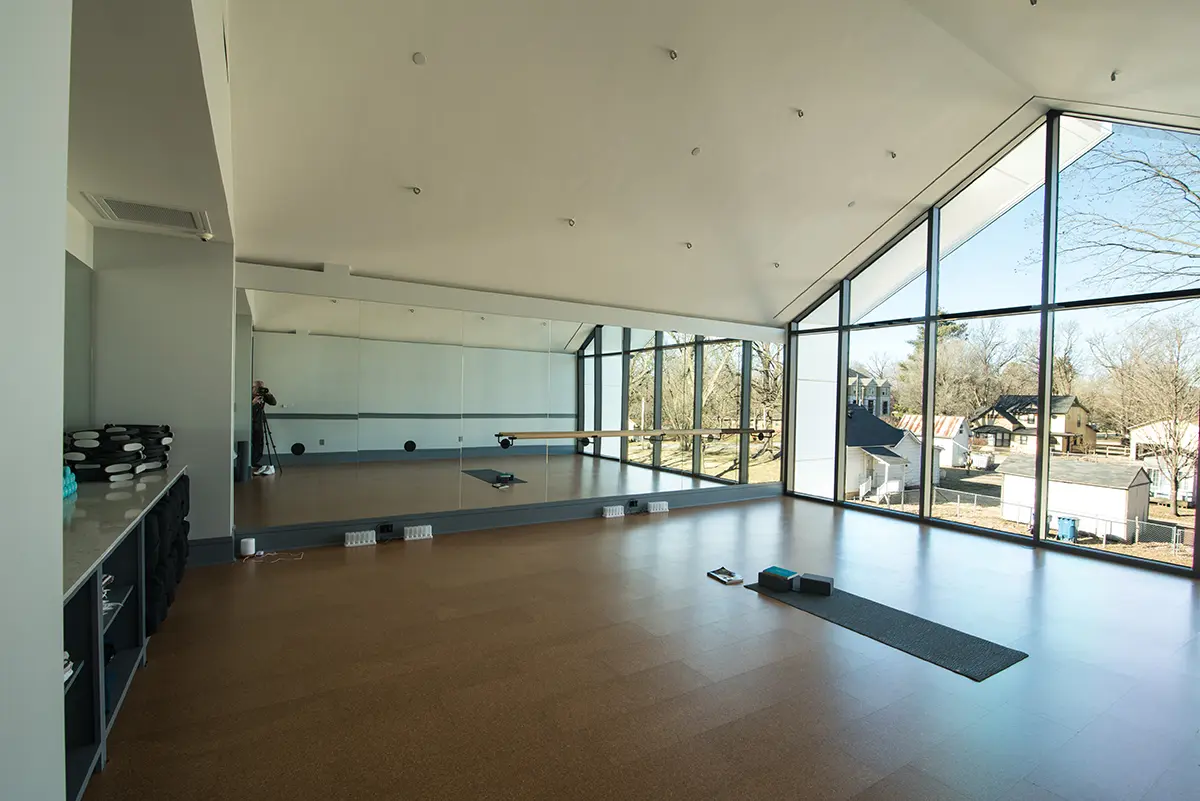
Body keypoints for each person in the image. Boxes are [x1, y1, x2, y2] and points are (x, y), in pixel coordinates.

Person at [251, 379, 277, 476]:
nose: (255, 390)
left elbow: (273, 402)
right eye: (254, 387)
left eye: (258, 388)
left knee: (259, 444)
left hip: (258, 423)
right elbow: (244, 410)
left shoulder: (262, 396)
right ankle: (251, 463)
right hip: (248, 423)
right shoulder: (247, 396)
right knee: (250, 444)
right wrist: (253, 403)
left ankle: (256, 462)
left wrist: (267, 393)